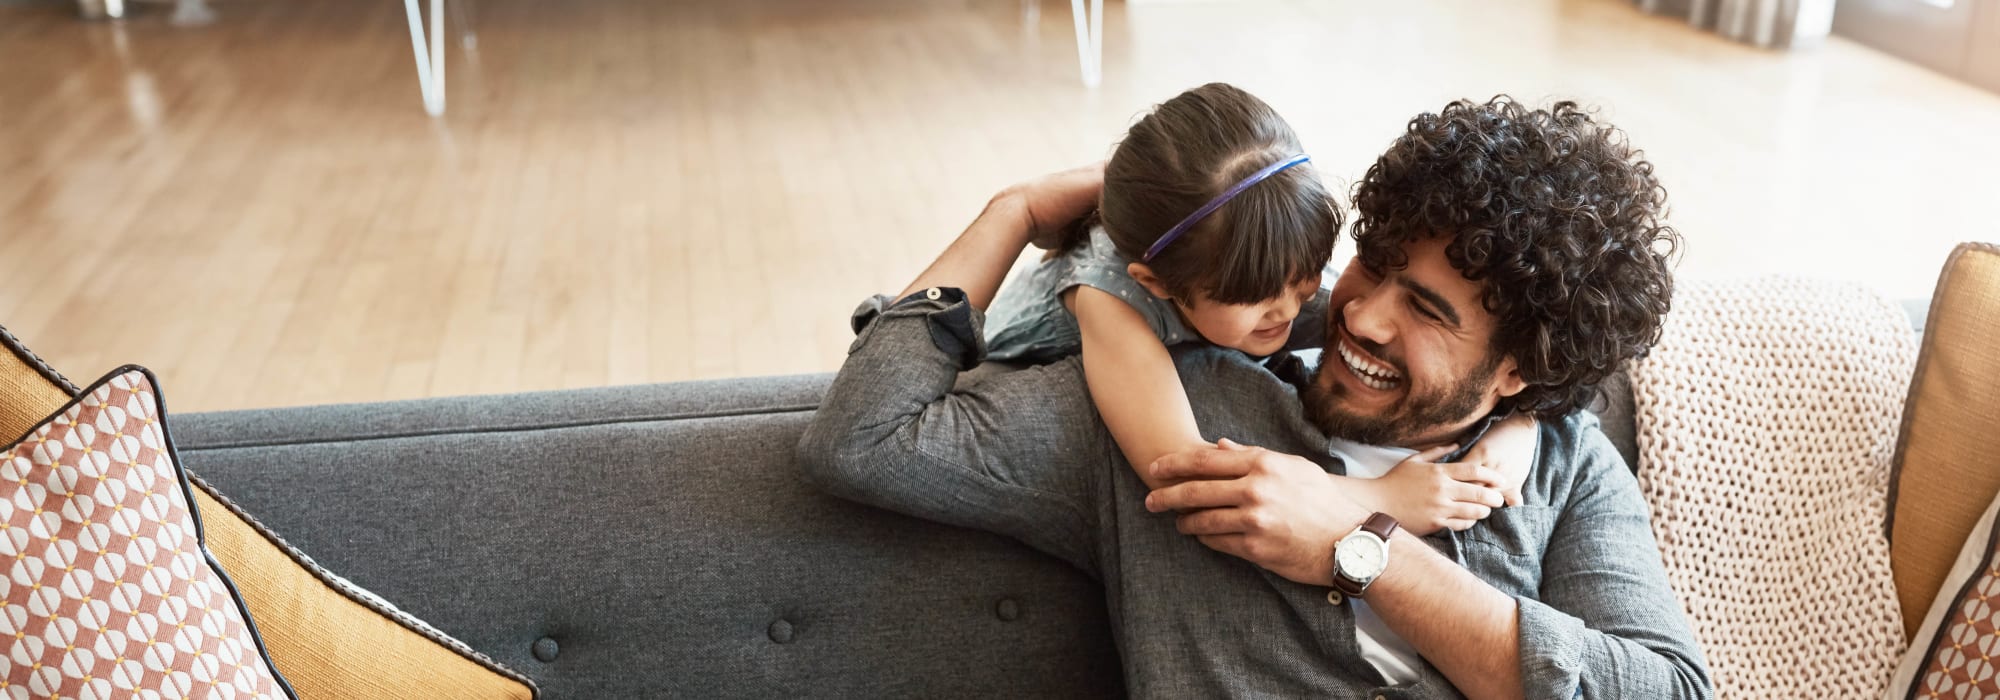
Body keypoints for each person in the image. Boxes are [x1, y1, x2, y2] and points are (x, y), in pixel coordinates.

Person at [799, 97, 1712, 699]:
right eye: (1375, 265)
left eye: (1425, 309)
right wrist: (1012, 214)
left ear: (1518, 371)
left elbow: (1670, 689)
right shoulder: (1166, 416)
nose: (1362, 317)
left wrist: (1363, 550)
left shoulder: (1557, 456)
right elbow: (864, 439)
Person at [987, 83, 1537, 535]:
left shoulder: (1255, 259)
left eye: (1304, 280)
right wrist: (1379, 497)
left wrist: (1520, 422)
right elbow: (1182, 474)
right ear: (1156, 284)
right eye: (1257, 302)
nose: (1292, 309)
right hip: (1002, 362)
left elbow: (1525, 359)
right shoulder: (1112, 306)